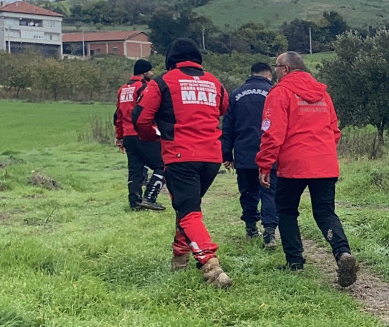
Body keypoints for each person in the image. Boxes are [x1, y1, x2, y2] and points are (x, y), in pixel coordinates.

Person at [133, 38, 232, 288]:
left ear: (170, 60)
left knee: (189, 213)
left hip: (181, 155)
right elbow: (223, 108)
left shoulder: (162, 82)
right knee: (188, 207)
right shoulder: (215, 82)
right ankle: (179, 259)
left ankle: (211, 265)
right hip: (212, 157)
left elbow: (141, 118)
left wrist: (152, 136)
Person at [255, 51, 357, 287]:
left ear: (285, 69)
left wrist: (265, 164)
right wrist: (322, 153)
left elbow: (272, 133)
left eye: (276, 67)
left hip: (294, 164)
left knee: (287, 211)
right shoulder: (323, 95)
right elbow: (334, 131)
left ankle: (295, 261)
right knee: (325, 212)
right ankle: (342, 253)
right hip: (325, 163)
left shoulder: (279, 93)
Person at [222, 62, 278, 248]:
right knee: (269, 193)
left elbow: (227, 126)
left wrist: (226, 154)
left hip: (244, 153)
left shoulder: (236, 94)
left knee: (247, 193)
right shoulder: (274, 92)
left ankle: (251, 228)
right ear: (268, 75)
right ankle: (270, 233)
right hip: (269, 153)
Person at [113, 59, 165, 211]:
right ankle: (150, 197)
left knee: (135, 171)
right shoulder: (145, 87)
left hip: (128, 136)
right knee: (162, 165)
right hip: (143, 134)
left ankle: (135, 203)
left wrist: (120, 137)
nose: (152, 73)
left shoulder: (122, 89)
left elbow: (118, 116)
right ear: (145, 72)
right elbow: (148, 110)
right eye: (151, 71)